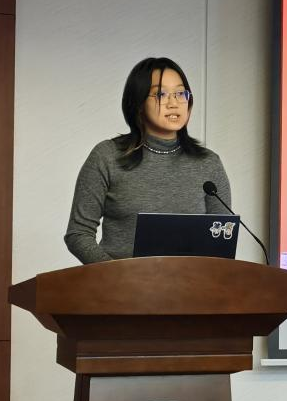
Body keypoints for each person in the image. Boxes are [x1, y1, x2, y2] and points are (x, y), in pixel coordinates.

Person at [65, 57, 232, 263]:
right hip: (120, 282)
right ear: (138, 103)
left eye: (181, 93)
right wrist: (118, 275)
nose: (174, 103)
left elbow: (222, 240)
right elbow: (78, 234)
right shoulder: (107, 156)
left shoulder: (208, 163)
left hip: (190, 282)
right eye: (161, 94)